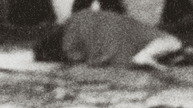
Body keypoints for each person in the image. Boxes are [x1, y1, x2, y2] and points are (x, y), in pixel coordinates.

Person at [32, 9, 184, 71]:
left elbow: (77, 56)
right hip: (121, 30)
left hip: (118, 37)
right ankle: (144, 56)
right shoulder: (76, 19)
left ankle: (145, 55)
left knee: (170, 42)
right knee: (173, 41)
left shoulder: (69, 39)